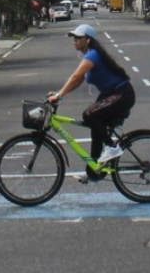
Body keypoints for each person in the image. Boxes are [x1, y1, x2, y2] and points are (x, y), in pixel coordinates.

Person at [47, 23, 134, 183]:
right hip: (110, 93)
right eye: (73, 38)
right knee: (95, 127)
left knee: (89, 115)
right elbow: (78, 80)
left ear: (88, 40)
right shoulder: (90, 55)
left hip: (122, 94)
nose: (74, 40)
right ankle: (94, 168)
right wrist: (60, 93)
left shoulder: (92, 55)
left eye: (78, 38)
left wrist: (59, 96)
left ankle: (112, 148)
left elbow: (74, 76)